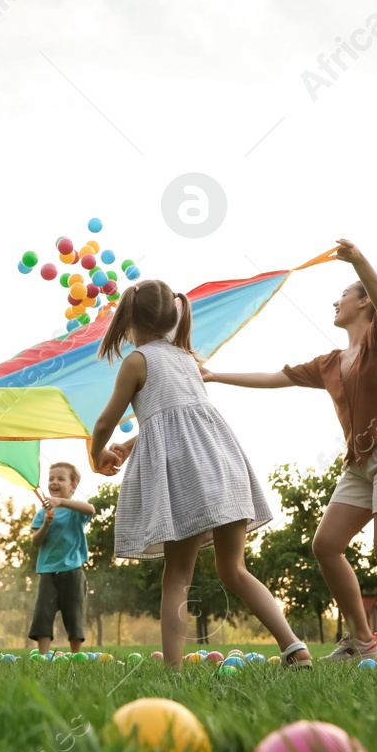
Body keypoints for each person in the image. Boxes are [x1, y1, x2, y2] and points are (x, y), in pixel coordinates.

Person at [201, 239, 377, 664]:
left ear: (363, 303)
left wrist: (360, 261)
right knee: (326, 545)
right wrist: (214, 375)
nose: (335, 302)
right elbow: (277, 377)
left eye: (343, 296)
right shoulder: (330, 362)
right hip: (359, 464)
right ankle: (362, 641)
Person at [89, 279, 312, 671]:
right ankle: (294, 647)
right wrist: (133, 443)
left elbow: (108, 419)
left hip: (186, 477)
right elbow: (179, 419)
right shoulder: (186, 359)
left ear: (129, 321)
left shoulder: (137, 361)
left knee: (177, 575)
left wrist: (97, 454)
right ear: (173, 315)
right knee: (235, 570)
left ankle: (173, 673)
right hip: (224, 466)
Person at [28, 463, 94, 656]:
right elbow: (36, 541)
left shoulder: (75, 510)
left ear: (73, 487)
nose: (54, 482)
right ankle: (43, 656)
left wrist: (61, 502)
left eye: (60, 479)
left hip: (73, 571)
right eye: (51, 479)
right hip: (48, 572)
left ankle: (76, 655)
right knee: (43, 614)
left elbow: (90, 509)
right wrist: (46, 525)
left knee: (74, 615)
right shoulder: (42, 513)